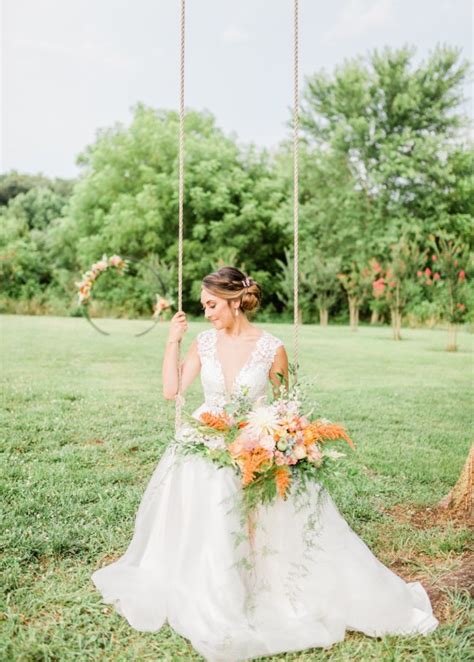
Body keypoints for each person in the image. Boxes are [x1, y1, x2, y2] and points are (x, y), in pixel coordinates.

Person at [91, 266, 439, 661]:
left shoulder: (271, 348)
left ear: (236, 301)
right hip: (208, 437)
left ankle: (268, 583)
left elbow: (286, 408)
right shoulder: (203, 343)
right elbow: (172, 391)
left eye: (211, 304)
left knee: (262, 495)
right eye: (203, 305)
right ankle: (217, 586)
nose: (206, 312)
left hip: (257, 439)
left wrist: (275, 442)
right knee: (212, 480)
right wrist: (172, 341)